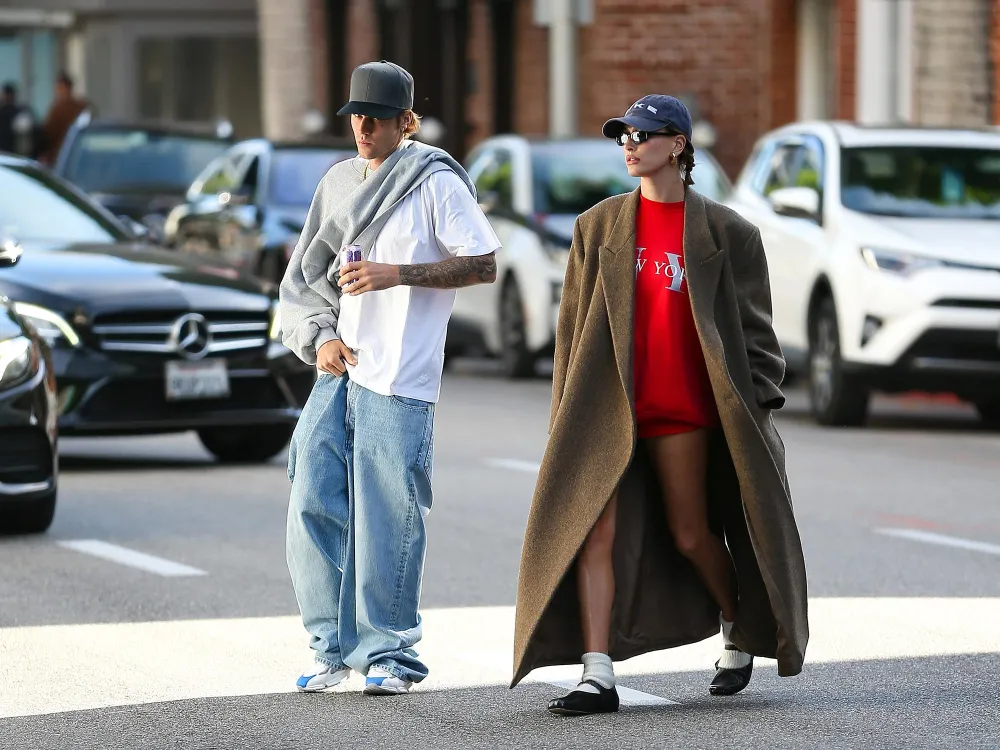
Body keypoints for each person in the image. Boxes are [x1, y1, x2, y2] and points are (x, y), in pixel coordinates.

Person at [510, 95, 809, 715]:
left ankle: (737, 627)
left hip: (683, 411)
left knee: (692, 534)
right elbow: (571, 331)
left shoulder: (728, 233)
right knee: (592, 531)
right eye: (623, 135)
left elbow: (758, 336)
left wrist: (757, 405)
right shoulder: (597, 227)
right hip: (605, 411)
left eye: (642, 135)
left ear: (677, 144)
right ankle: (597, 673)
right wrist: (563, 412)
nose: (629, 145)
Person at [279, 60, 500, 697]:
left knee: (388, 516)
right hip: (340, 369)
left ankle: (390, 655)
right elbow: (305, 275)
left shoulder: (434, 181)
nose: (364, 129)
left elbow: (482, 263)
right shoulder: (339, 181)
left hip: (400, 378)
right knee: (310, 495)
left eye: (376, 119)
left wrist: (395, 274)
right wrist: (320, 337)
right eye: (357, 117)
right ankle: (330, 647)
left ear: (406, 121)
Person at [39, 72, 87, 165]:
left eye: (60, 87)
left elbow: (48, 131)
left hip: (63, 152)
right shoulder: (58, 107)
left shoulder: (61, 108)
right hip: (68, 152)